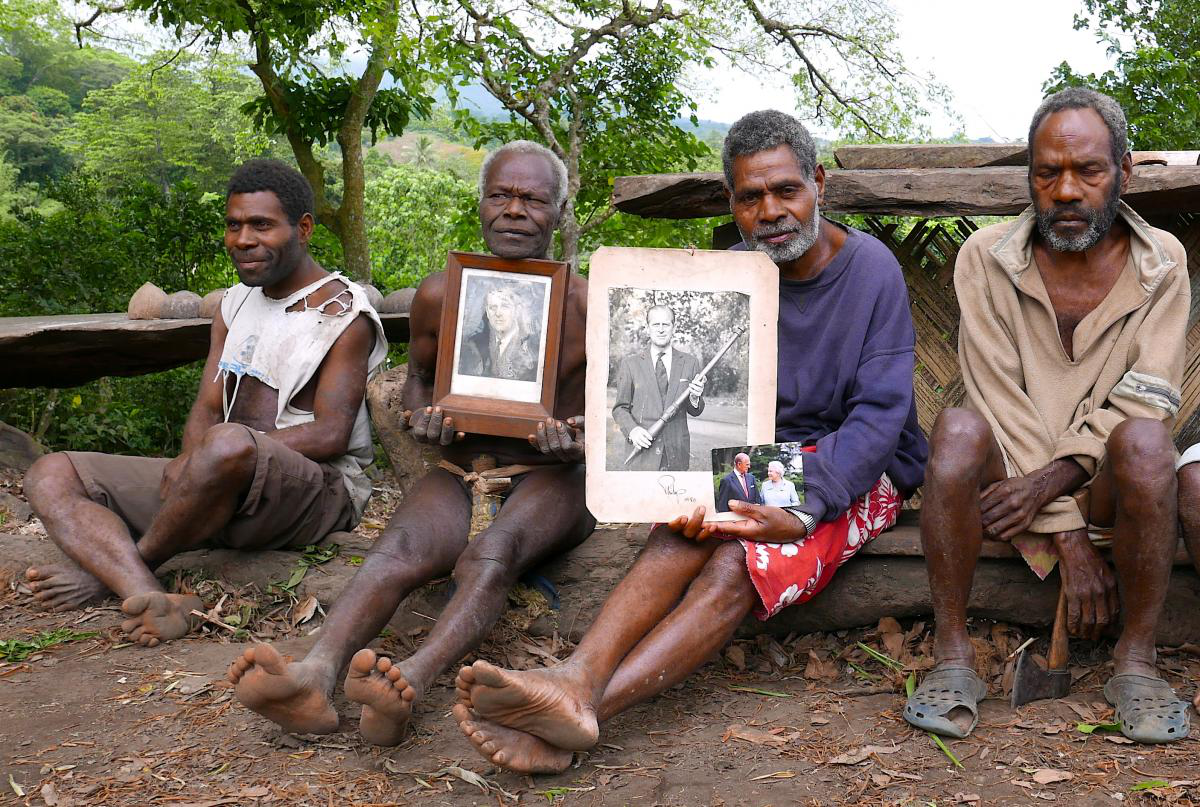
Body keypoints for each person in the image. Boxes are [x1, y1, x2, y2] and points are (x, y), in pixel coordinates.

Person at [453, 109, 927, 774]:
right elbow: (686, 405)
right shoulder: (726, 275)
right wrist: (669, 477)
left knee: (739, 560)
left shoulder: (872, 269)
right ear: (732, 203)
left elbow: (880, 417)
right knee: (685, 528)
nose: (770, 211)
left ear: (819, 183)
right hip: (760, 457)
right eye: (749, 197)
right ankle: (575, 674)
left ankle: (580, 714)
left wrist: (807, 502)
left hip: (852, 464)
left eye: (786, 190)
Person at [226, 140, 594, 746]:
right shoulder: (442, 294)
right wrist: (423, 412)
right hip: (461, 464)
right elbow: (421, 378)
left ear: (559, 211)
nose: (514, 210)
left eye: (533, 199)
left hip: (554, 477)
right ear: (480, 205)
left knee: (490, 555)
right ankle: (315, 675)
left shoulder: (585, 305)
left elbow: (617, 413)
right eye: (500, 196)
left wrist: (574, 440)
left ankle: (412, 682)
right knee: (394, 551)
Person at [906, 88, 1190, 744]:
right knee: (956, 429)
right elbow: (996, 396)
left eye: (1088, 171)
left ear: (1125, 171)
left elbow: (1148, 397)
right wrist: (1063, 533)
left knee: (1148, 441)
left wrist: (1052, 491)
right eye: (1046, 172)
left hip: (1099, 485)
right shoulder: (986, 258)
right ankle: (953, 656)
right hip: (1012, 480)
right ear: (1028, 178)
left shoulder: (1162, 263)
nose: (1065, 190)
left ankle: (1136, 662)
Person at [22, 160, 387, 646]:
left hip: (313, 495)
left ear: (303, 229)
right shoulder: (235, 303)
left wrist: (214, 455)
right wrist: (193, 463)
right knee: (49, 473)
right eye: (234, 225)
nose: (243, 239)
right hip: (219, 482)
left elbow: (330, 433)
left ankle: (122, 568)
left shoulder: (342, 314)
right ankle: (151, 595)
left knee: (228, 442)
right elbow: (209, 405)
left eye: (262, 225)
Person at [611, 305, 706, 471]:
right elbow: (620, 409)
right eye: (656, 325)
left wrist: (695, 398)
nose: (661, 330)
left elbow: (695, 410)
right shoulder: (630, 364)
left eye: (666, 324)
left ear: (673, 327)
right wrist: (632, 431)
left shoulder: (690, 362)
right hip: (642, 455)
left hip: (676, 455)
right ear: (648, 328)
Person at [459, 285, 539, 381]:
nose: (498, 313)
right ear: (487, 312)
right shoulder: (474, 344)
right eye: (493, 307)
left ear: (517, 310)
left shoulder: (533, 347)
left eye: (505, 306)